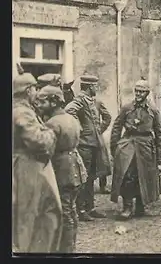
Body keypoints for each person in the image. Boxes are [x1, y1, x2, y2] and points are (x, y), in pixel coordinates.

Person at [12, 67, 63, 252]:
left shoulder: (22, 109)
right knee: (33, 216)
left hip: (26, 167)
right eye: (35, 89)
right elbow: (39, 142)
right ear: (28, 91)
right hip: (28, 169)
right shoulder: (22, 112)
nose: (37, 93)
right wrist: (51, 133)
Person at [35, 86, 88, 253]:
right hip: (76, 167)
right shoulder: (71, 118)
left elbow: (45, 150)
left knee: (64, 211)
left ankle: (65, 249)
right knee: (71, 209)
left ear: (53, 101)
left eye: (43, 101)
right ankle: (70, 245)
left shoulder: (52, 123)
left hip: (62, 170)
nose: (40, 105)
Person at [110, 79, 161, 220]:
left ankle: (141, 206)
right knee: (127, 175)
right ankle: (127, 207)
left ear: (147, 93)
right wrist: (114, 147)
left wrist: (160, 157)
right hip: (128, 143)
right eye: (137, 91)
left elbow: (159, 133)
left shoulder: (153, 110)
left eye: (142, 91)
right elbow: (117, 127)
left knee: (144, 176)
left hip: (146, 146)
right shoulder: (127, 108)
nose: (139, 94)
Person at [65, 75, 112, 221]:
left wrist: (97, 131)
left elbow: (107, 117)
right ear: (90, 86)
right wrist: (80, 129)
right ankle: (81, 209)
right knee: (83, 178)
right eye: (95, 86)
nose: (96, 89)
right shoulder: (80, 99)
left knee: (91, 177)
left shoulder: (93, 100)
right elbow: (68, 110)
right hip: (84, 145)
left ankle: (90, 207)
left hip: (94, 144)